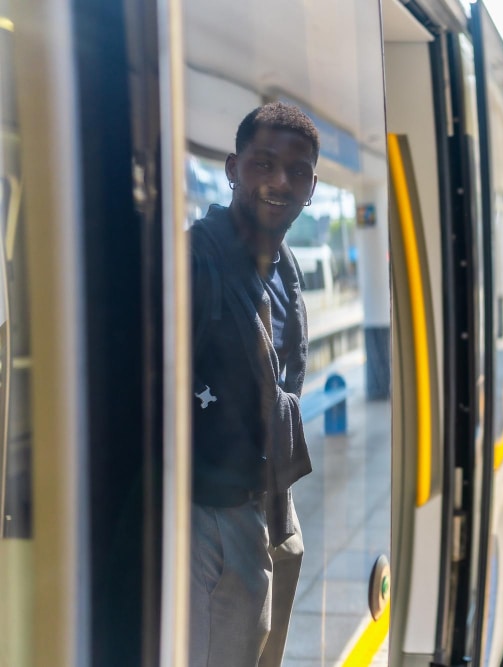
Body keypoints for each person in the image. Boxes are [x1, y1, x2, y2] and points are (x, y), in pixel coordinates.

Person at [188, 101, 318, 667]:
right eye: (263, 164)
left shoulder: (284, 271)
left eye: (298, 171)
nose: (280, 181)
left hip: (268, 506)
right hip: (205, 517)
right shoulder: (193, 261)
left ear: (312, 187)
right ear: (232, 167)